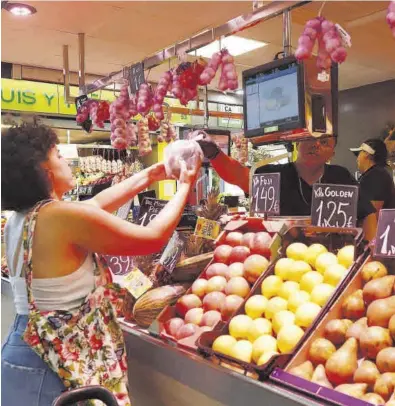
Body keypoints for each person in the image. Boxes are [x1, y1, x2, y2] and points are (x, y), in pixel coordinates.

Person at [1, 123, 200, 406]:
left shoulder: (22, 218)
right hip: (51, 365)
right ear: (44, 172)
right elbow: (152, 238)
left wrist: (150, 174)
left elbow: (93, 205)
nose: (66, 161)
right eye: (58, 155)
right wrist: (185, 187)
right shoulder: (59, 216)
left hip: (24, 351)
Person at [196, 133, 377, 240]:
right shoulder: (271, 174)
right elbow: (239, 176)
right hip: (276, 262)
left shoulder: (340, 176)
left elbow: (367, 213)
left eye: (324, 142)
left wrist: (369, 251)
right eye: (310, 138)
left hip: (332, 263)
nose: (315, 144)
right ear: (298, 142)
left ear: (332, 153)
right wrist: (214, 154)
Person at [350, 138, 395, 217]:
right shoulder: (375, 174)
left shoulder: (376, 176)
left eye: (358, 154)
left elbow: (374, 213)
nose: (357, 159)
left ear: (366, 153)